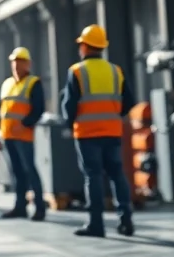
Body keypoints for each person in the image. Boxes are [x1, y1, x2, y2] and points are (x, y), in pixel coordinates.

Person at [61, 24, 135, 238]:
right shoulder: (115, 70)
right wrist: (111, 113)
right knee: (117, 175)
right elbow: (129, 102)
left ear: (84, 46)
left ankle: (96, 224)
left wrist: (69, 124)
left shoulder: (76, 71)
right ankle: (126, 220)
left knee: (92, 177)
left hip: (87, 133)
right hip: (112, 132)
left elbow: (69, 106)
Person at [0, 47, 47, 220]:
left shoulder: (34, 83)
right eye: (13, 61)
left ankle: (40, 207)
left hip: (24, 136)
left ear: (28, 64)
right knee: (16, 172)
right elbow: (3, 109)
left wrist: (25, 124)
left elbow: (39, 109)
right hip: (8, 136)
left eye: (20, 61)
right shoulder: (7, 84)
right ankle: (20, 206)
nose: (16, 65)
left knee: (29, 170)